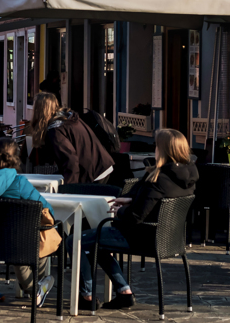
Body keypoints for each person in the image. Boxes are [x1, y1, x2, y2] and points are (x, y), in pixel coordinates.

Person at [78, 128, 198, 311]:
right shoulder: (185, 178)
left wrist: (119, 212)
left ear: (163, 150)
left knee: (77, 240)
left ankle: (86, 297)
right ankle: (123, 292)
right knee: (95, 242)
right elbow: (157, 202)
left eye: (156, 146)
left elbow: (135, 217)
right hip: (168, 239)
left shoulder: (159, 179)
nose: (154, 150)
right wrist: (131, 199)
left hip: (139, 236)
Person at [0, 137, 59, 306]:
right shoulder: (20, 183)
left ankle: (34, 287)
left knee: (24, 237)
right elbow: (45, 209)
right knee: (41, 232)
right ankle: (36, 287)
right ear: (15, 159)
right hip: (17, 245)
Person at [27, 92, 115, 184]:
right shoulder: (68, 120)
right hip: (100, 164)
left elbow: (70, 161)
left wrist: (69, 189)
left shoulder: (56, 130)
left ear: (38, 111)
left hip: (93, 172)